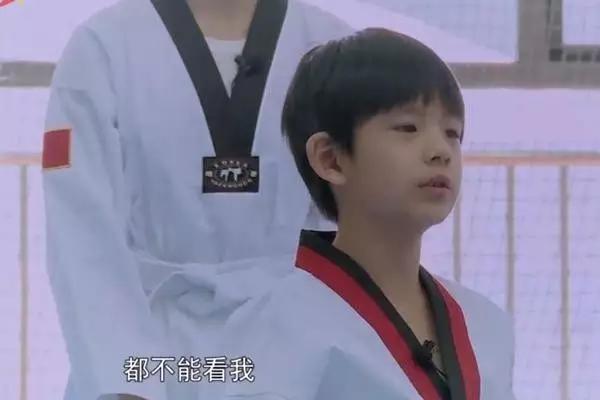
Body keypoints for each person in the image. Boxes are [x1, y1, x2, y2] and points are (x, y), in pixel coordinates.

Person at [41, 0, 352, 399]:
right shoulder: (103, 45)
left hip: (299, 348)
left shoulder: (331, 45)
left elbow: (358, 221)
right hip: (151, 346)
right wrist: (125, 382)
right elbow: (82, 234)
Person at [208, 28, 516, 400]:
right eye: (408, 127)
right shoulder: (272, 325)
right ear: (331, 159)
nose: (441, 151)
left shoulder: (486, 325)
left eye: (453, 133)